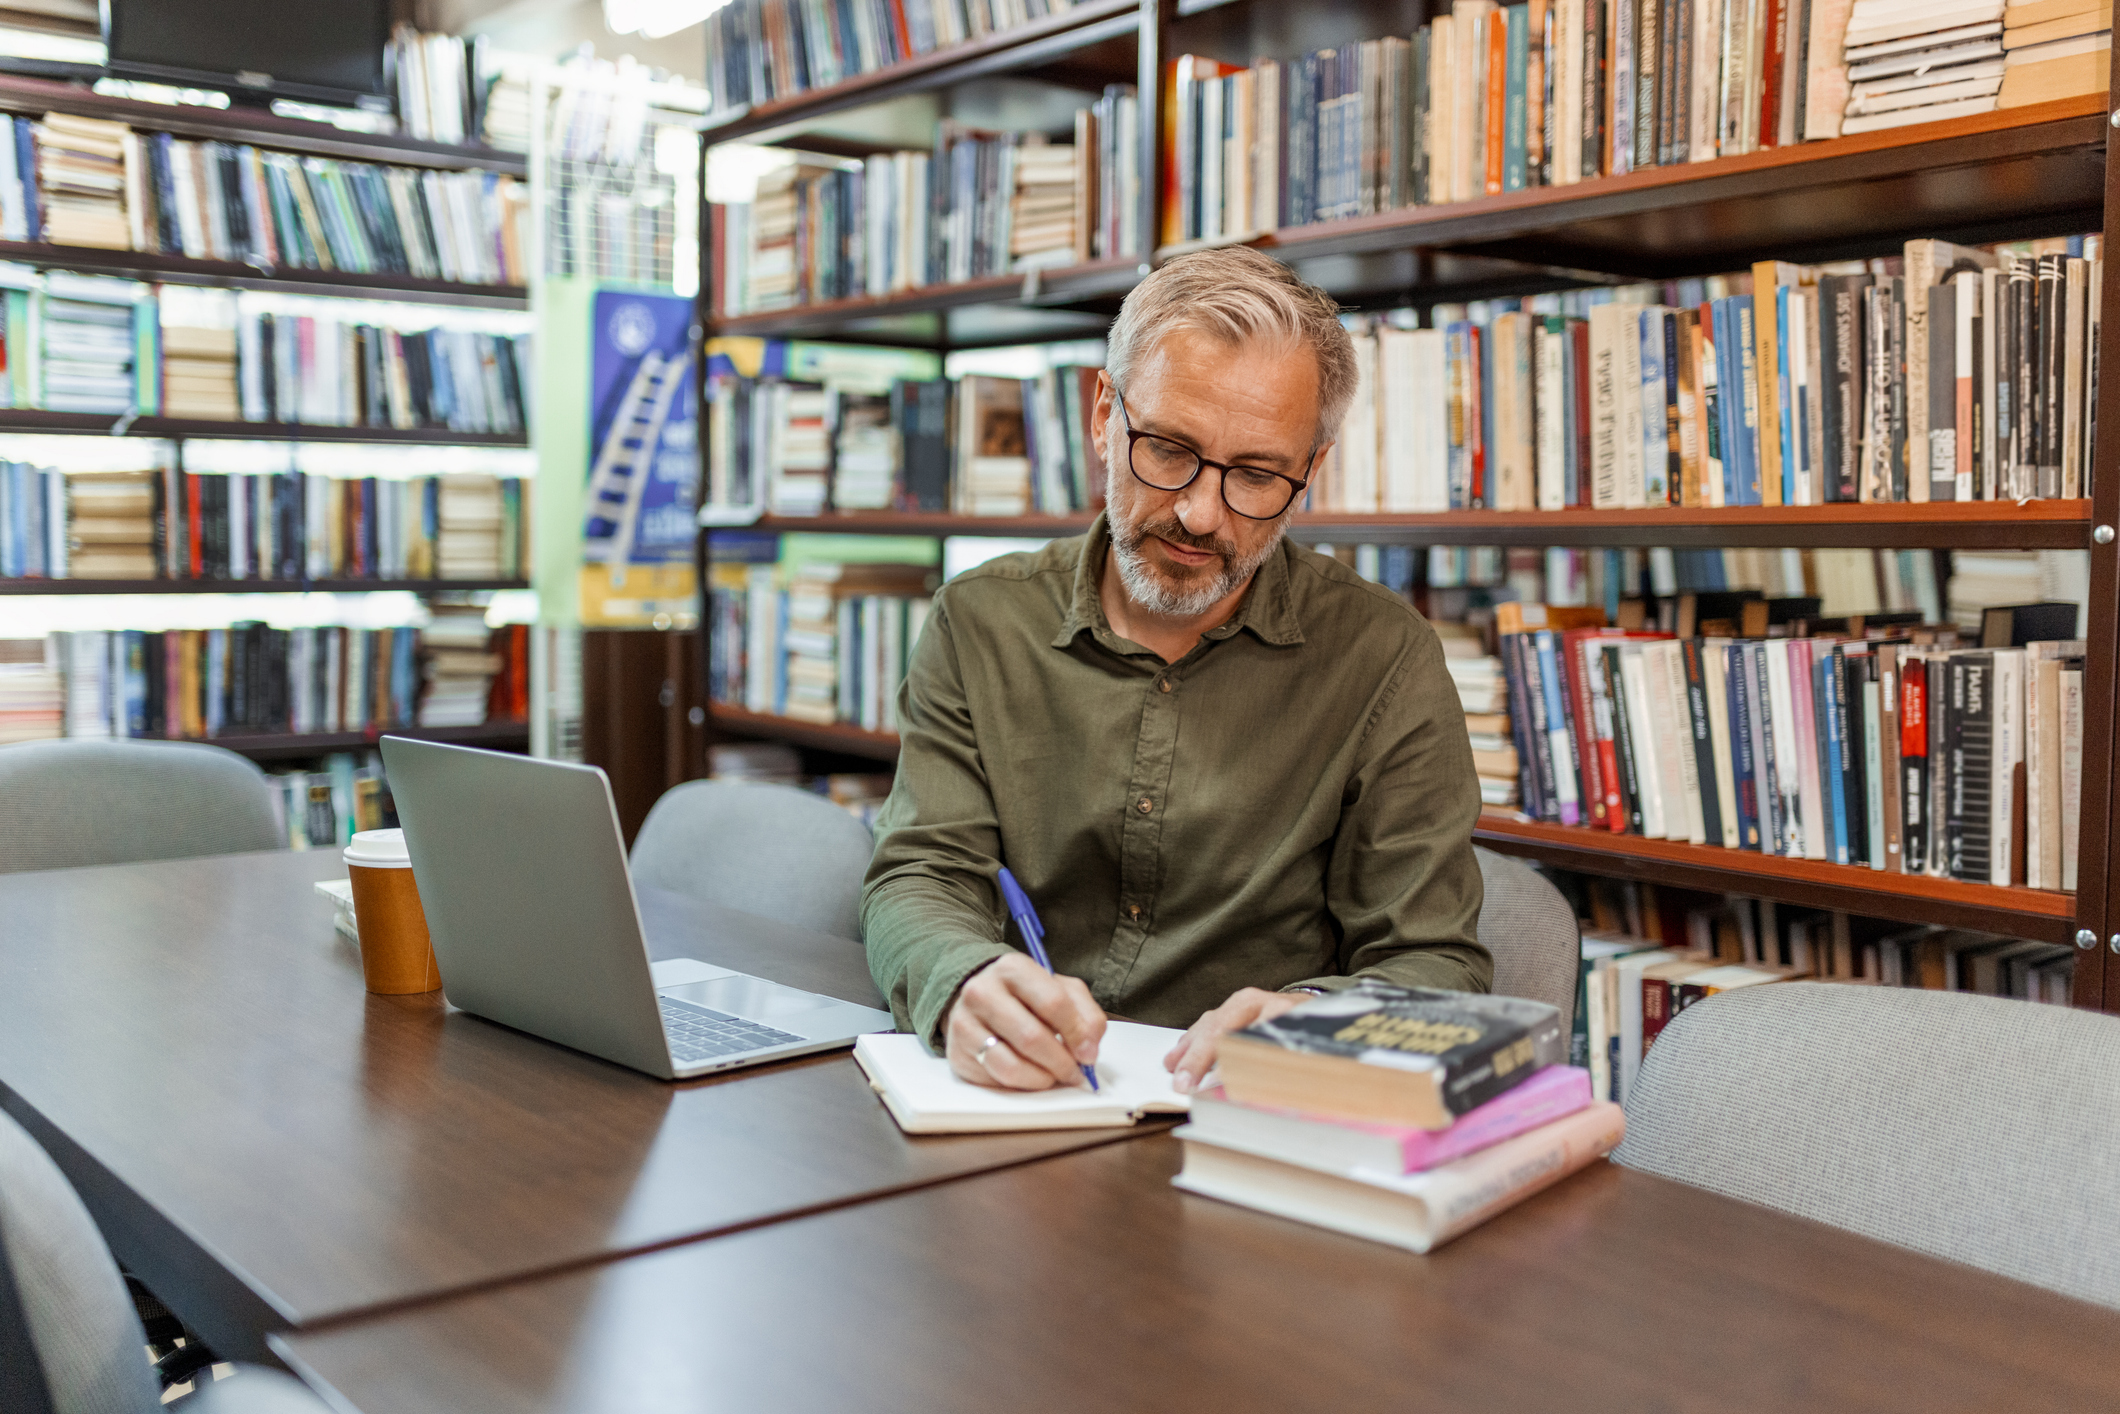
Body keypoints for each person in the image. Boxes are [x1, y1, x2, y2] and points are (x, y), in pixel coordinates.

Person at [860, 247, 1488, 1095]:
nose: (1199, 513)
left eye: (1258, 475)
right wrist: (963, 978)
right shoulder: (980, 622)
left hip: (1247, 1122)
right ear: (1103, 412)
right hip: (1017, 1100)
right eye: (1168, 449)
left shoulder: (1385, 660)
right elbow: (921, 873)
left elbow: (1434, 961)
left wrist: (1314, 1023)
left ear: (1312, 470)